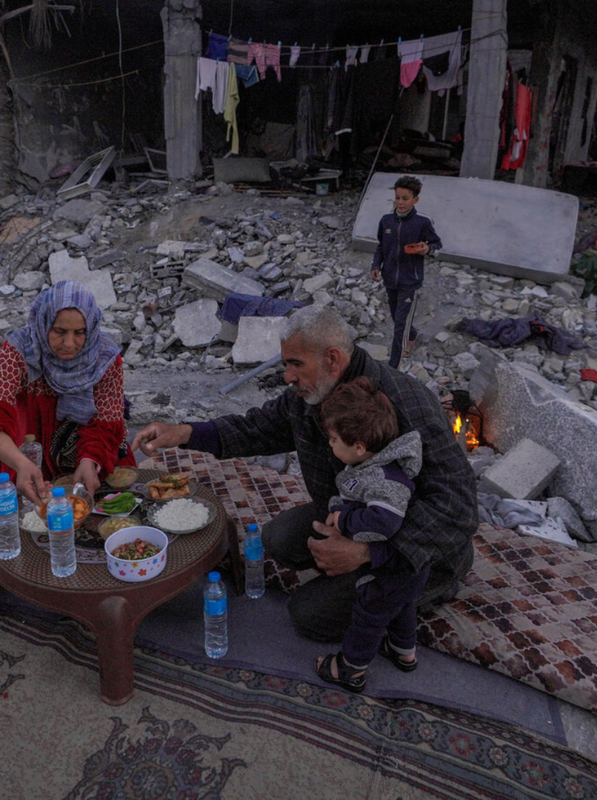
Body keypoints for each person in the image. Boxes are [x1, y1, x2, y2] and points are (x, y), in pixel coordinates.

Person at [132, 305, 478, 643]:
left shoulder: (406, 404)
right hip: (357, 512)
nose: (287, 376)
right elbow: (258, 428)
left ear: (331, 358)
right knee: (277, 540)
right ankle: (356, 570)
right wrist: (184, 433)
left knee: (309, 616)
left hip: (417, 546)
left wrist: (369, 554)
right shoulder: (311, 393)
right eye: (286, 364)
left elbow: (458, 508)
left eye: (295, 364)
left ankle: (423, 590)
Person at [0, 280, 135, 505]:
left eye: (80, 332)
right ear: (44, 322)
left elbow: (107, 420)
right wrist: (22, 463)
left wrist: (90, 460)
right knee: (33, 509)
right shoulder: (18, 352)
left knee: (112, 505)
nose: (69, 343)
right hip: (32, 448)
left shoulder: (104, 358)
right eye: (59, 331)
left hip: (92, 446)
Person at [313, 377, 425, 693]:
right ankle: (405, 652)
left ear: (359, 446)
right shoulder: (372, 466)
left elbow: (383, 522)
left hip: (397, 564)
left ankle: (350, 668)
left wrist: (343, 518)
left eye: (334, 439)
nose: (330, 444)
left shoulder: (387, 479)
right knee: (402, 605)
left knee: (369, 613)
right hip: (407, 564)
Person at [371, 175, 442, 369]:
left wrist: (426, 249)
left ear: (415, 200)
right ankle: (412, 335)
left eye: (405, 198)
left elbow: (437, 245)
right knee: (396, 316)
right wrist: (376, 266)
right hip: (390, 279)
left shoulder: (422, 223)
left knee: (399, 326)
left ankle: (393, 367)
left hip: (410, 282)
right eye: (398, 197)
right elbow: (380, 247)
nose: (400, 202)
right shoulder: (386, 222)